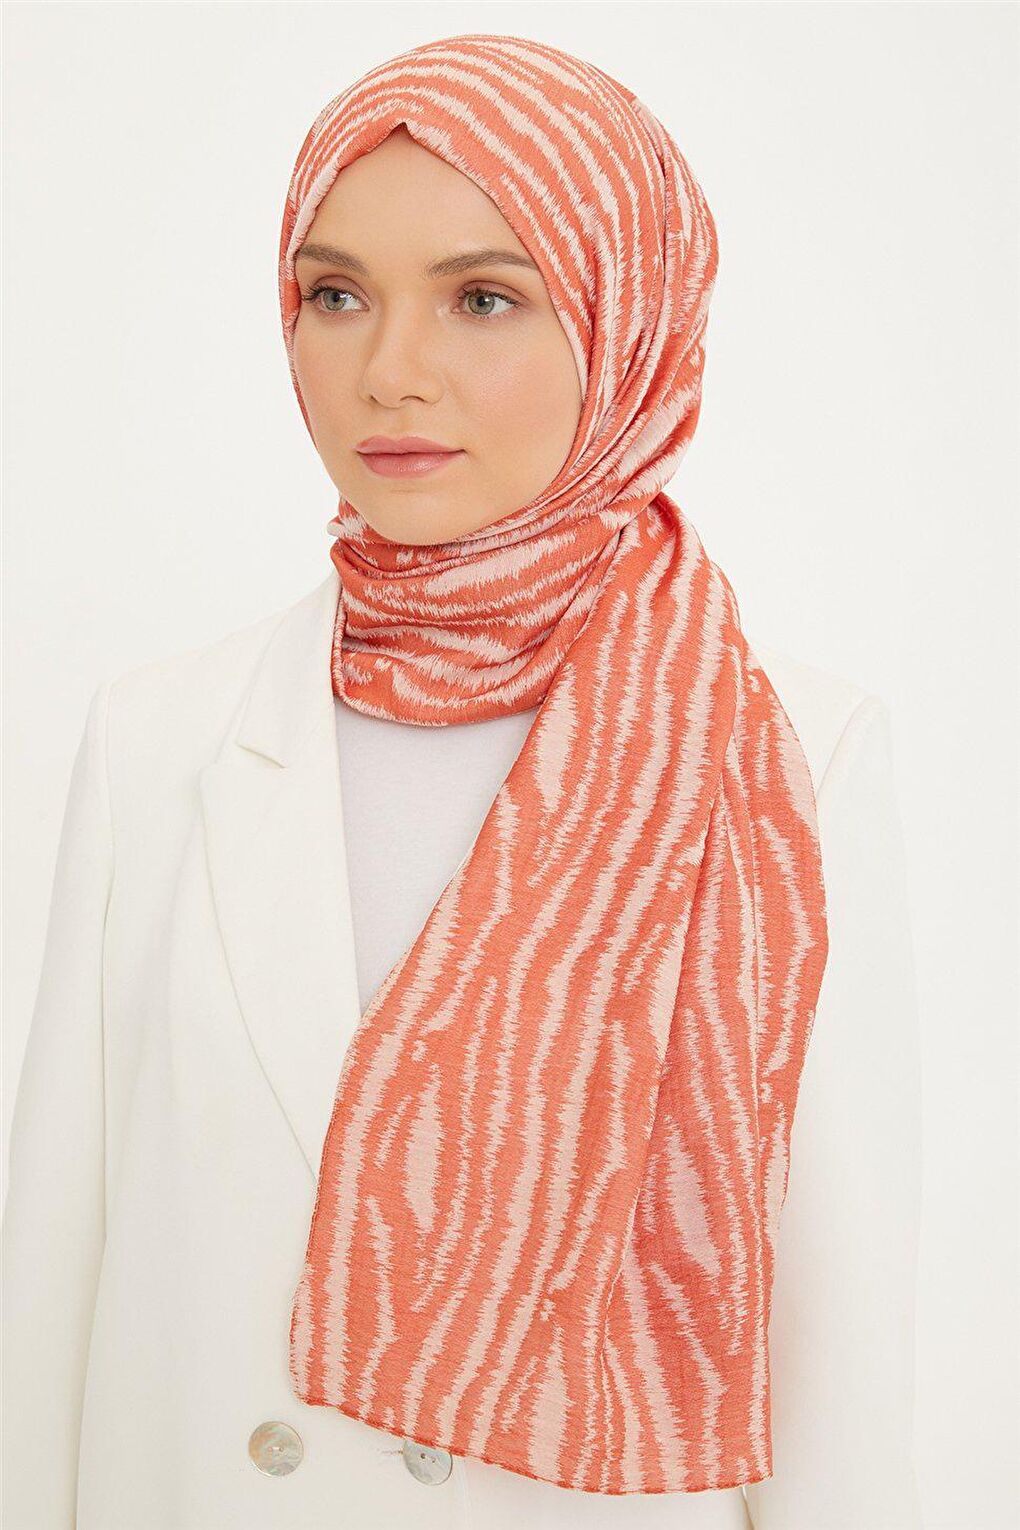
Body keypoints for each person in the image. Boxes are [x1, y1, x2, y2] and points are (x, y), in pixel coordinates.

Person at [1, 34, 922, 1530]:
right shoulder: (154, 740)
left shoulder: (782, 756)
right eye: (335, 294)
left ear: (627, 322)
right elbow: (52, 1287)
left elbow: (840, 1362)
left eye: (484, 297)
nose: (390, 371)